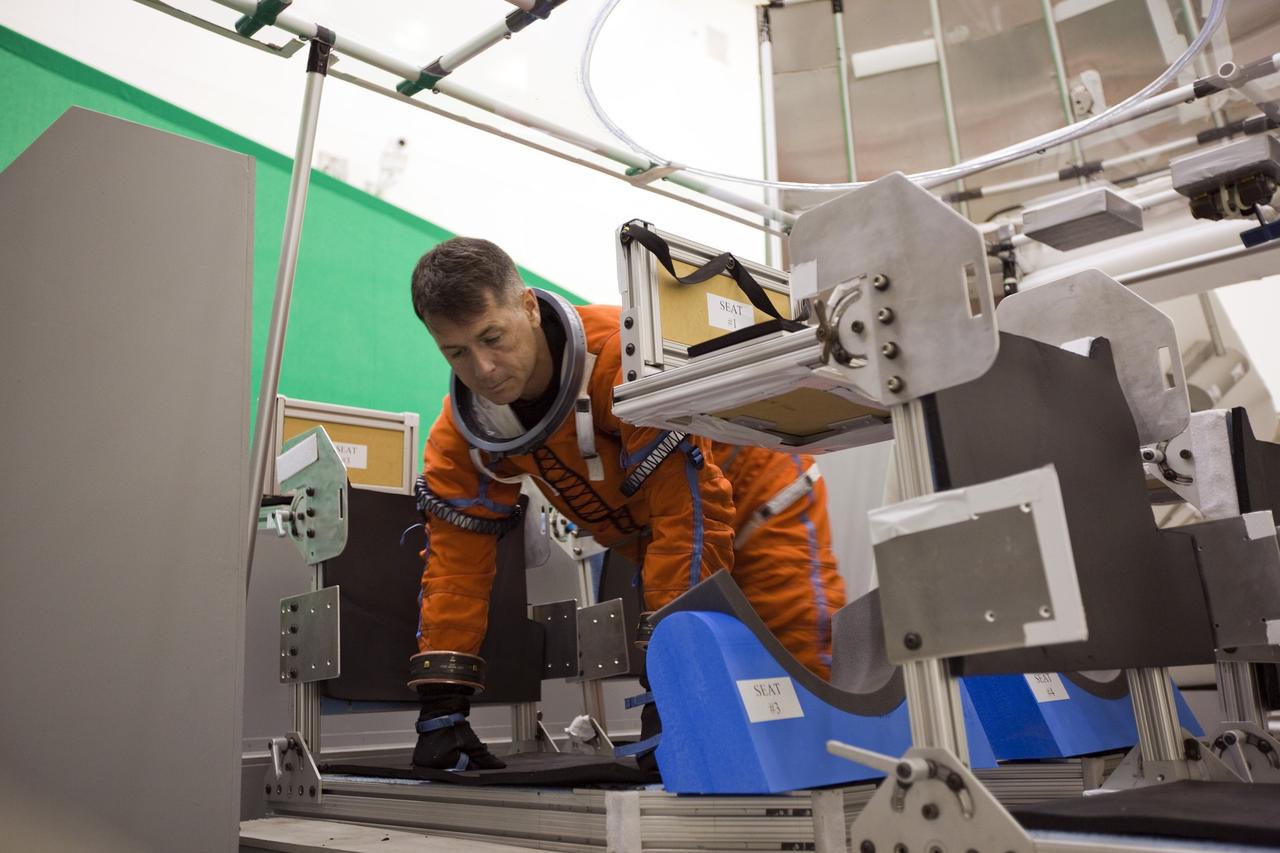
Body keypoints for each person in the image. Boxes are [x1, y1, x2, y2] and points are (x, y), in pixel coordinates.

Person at [407, 236, 845, 770]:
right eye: (456, 353)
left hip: (762, 504)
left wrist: (672, 682)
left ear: (526, 306)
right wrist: (442, 707)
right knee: (707, 743)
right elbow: (456, 568)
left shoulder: (622, 362)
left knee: (794, 684)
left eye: (492, 338)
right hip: (656, 537)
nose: (484, 368)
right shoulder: (469, 429)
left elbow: (689, 514)